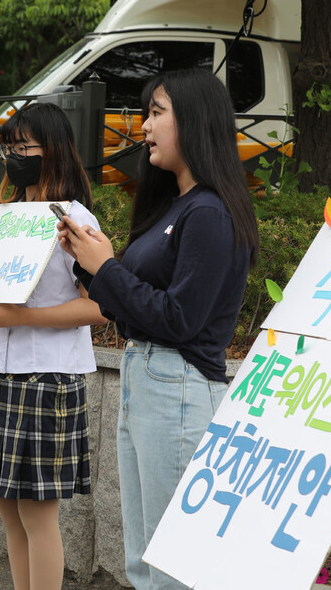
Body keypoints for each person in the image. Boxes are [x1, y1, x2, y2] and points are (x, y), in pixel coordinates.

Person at [58, 70, 259, 590]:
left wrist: (106, 269)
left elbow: (179, 319)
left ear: (194, 120)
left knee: (171, 568)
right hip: (149, 381)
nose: (144, 125)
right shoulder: (176, 206)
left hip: (179, 389)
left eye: (157, 112)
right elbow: (133, 309)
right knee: (144, 561)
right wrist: (88, 263)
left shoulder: (210, 212)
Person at [0, 102, 106, 590]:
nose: (13, 156)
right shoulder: (4, 216)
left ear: (53, 151)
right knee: (10, 512)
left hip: (49, 378)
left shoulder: (75, 219)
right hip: (1, 374)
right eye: (9, 147)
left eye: (24, 147)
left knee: (38, 516)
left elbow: (99, 306)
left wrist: (24, 317)